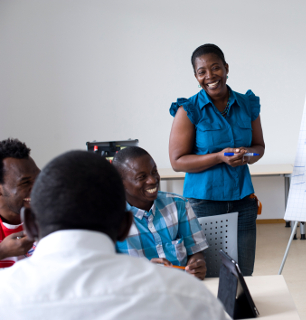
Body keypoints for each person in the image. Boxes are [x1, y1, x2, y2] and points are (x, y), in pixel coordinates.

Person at [0, 150, 229, 320]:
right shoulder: (187, 297)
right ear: (124, 225)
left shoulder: (5, 296)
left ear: (29, 225)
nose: (152, 180)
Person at [169, 43, 265, 276]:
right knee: (210, 274)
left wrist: (246, 156)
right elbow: (177, 161)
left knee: (243, 274)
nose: (210, 76)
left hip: (243, 201)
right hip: (204, 204)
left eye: (215, 68)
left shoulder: (247, 104)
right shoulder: (189, 109)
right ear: (196, 76)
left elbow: (258, 148)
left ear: (226, 68)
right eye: (202, 72)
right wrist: (219, 158)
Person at [113, 146, 208, 280]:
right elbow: (105, 272)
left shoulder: (178, 204)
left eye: (154, 172)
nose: (152, 180)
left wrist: (197, 264)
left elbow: (196, 252)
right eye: (141, 177)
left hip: (181, 288)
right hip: (138, 293)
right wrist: (145, 271)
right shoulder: (108, 218)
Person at [0, 138, 39, 268]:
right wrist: (3, 252)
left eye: (38, 178)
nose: (37, 188)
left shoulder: (50, 219)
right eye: (25, 182)